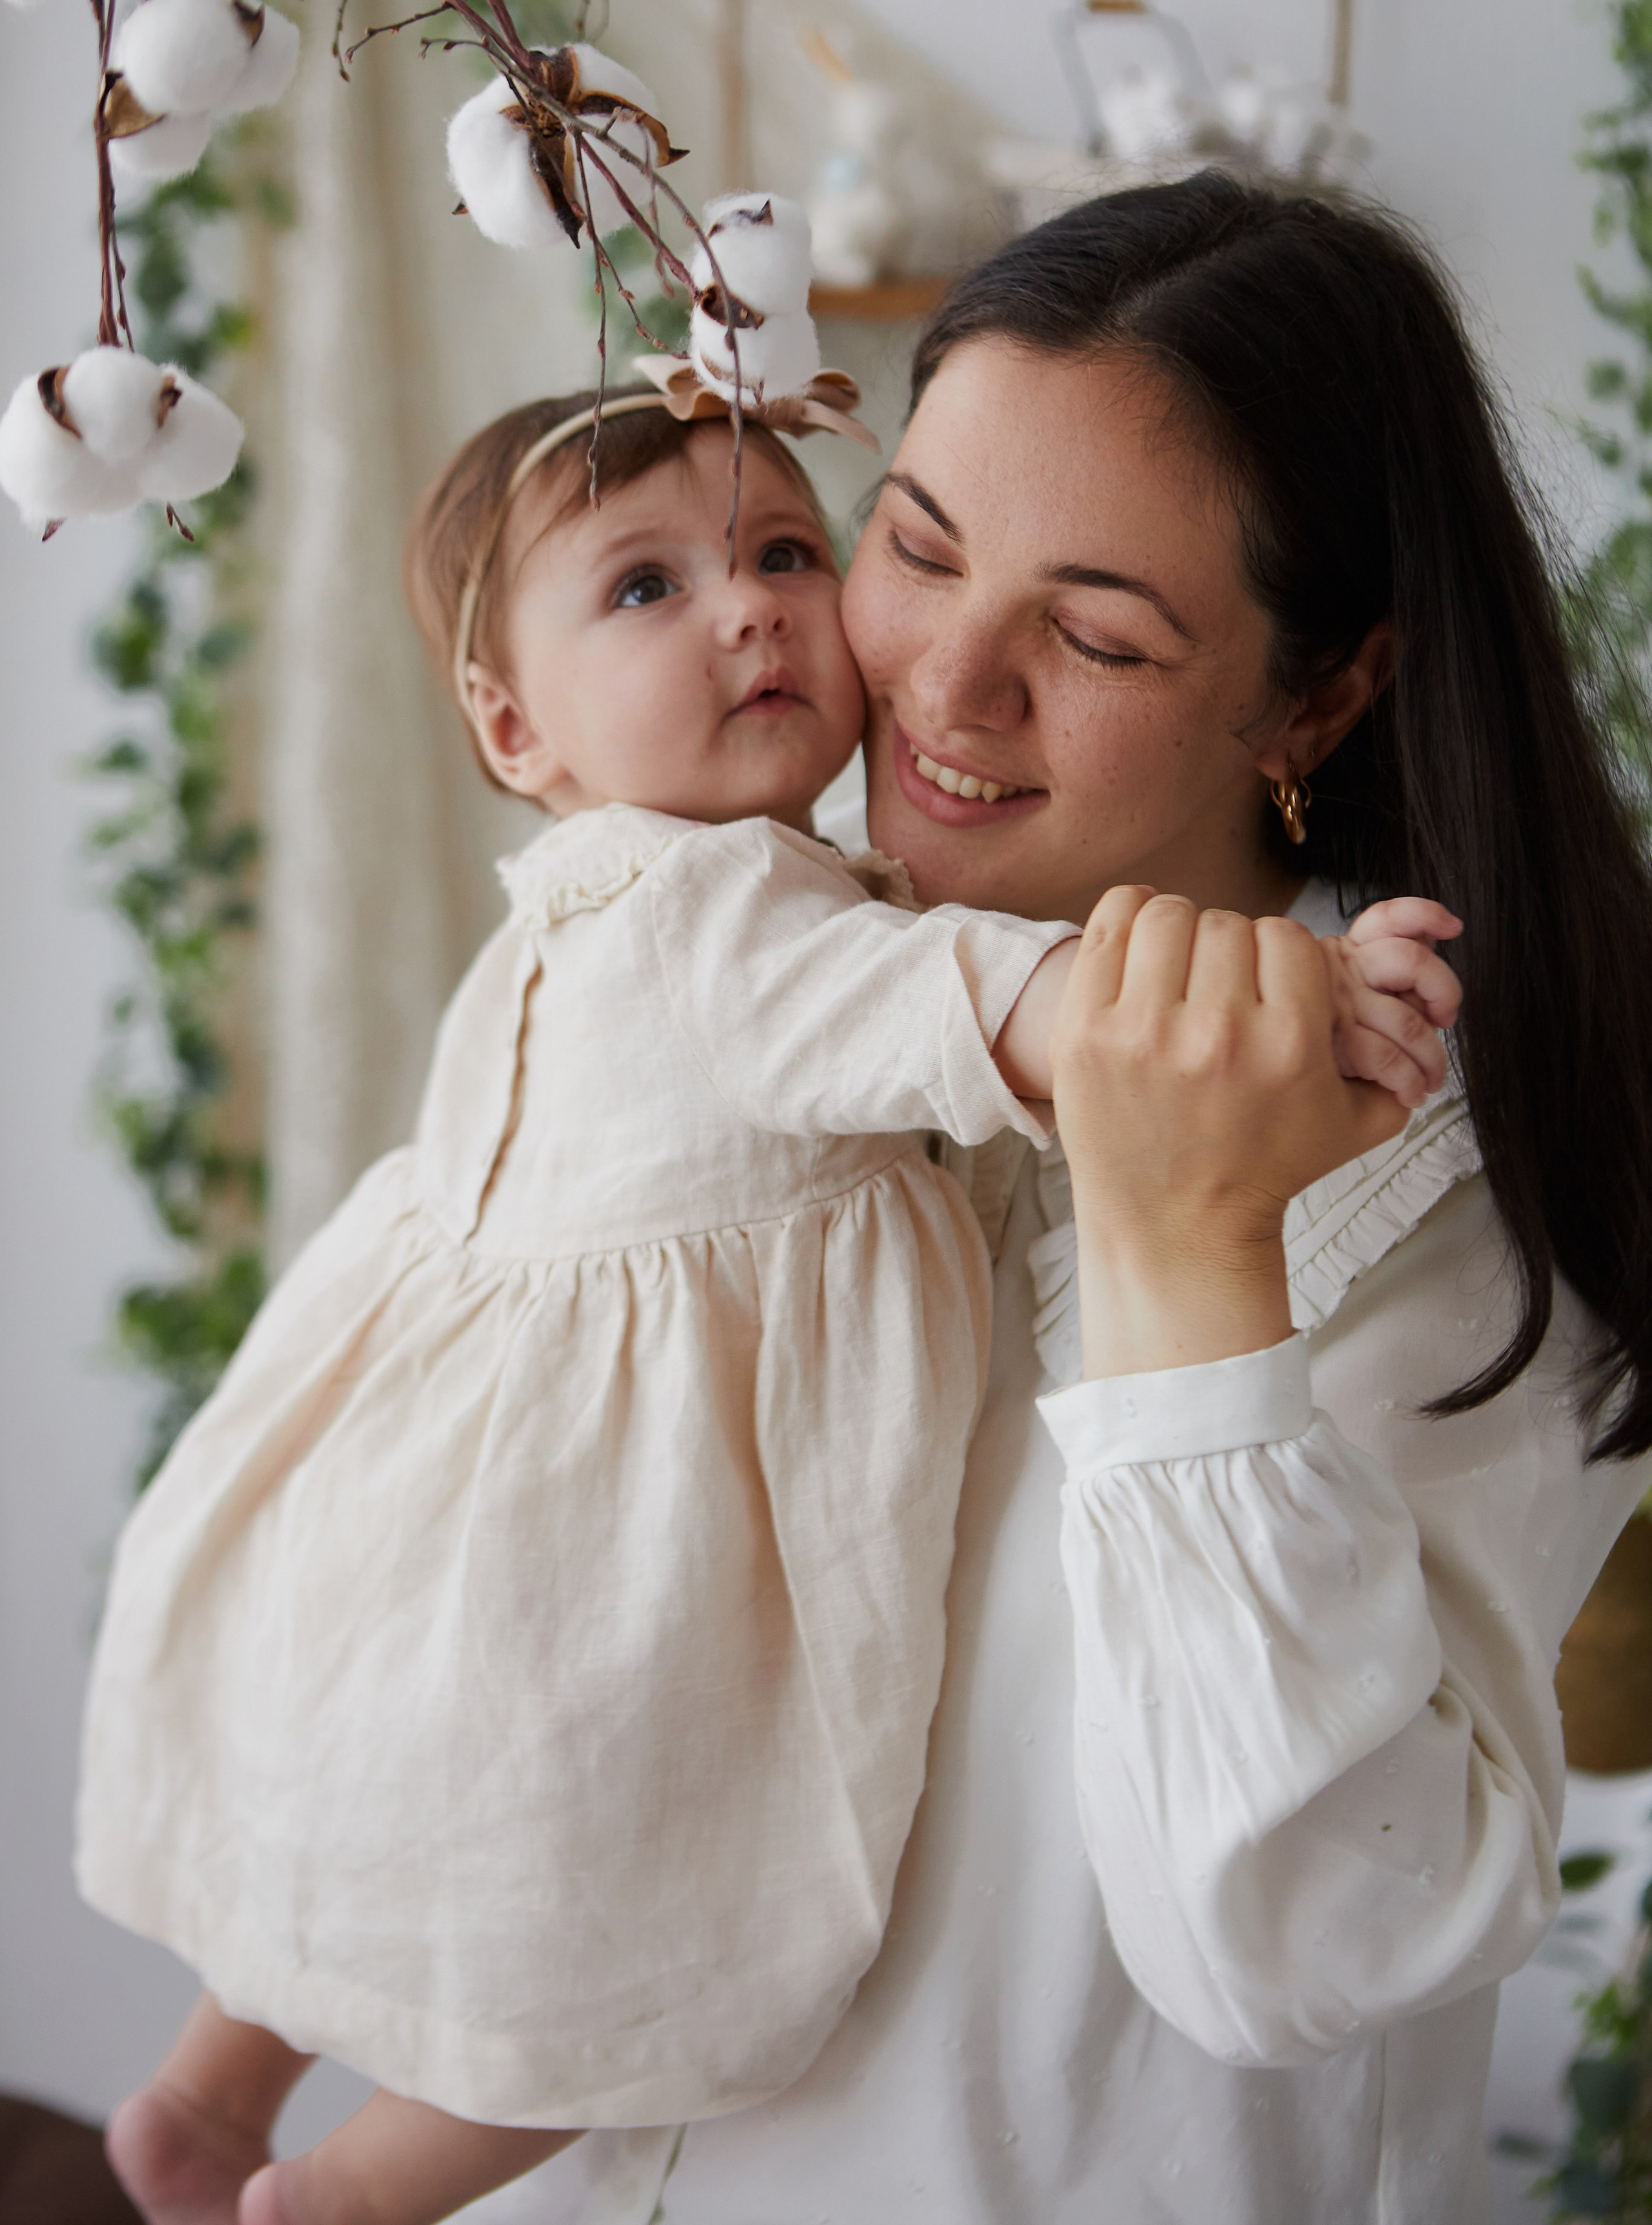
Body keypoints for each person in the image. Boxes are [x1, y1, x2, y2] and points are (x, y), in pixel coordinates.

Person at [77, 346, 1458, 2225]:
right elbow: (1049, 1015)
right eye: (647, 587)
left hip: (424, 1542)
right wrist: (1299, 994)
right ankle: (343, 2197)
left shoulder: (592, 897)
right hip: (594, 1569)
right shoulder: (722, 918)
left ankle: (209, 2092)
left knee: (380, 1846)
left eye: (790, 551)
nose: (751, 611)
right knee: (598, 1963)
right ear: (513, 726)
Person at [498, 173, 1652, 2225]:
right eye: (916, 546)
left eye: (1096, 634)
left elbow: (1296, 1955)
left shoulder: (1456, 1210)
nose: (944, 685)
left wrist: (1192, 1258)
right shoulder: (788, 972)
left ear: (1318, 695)